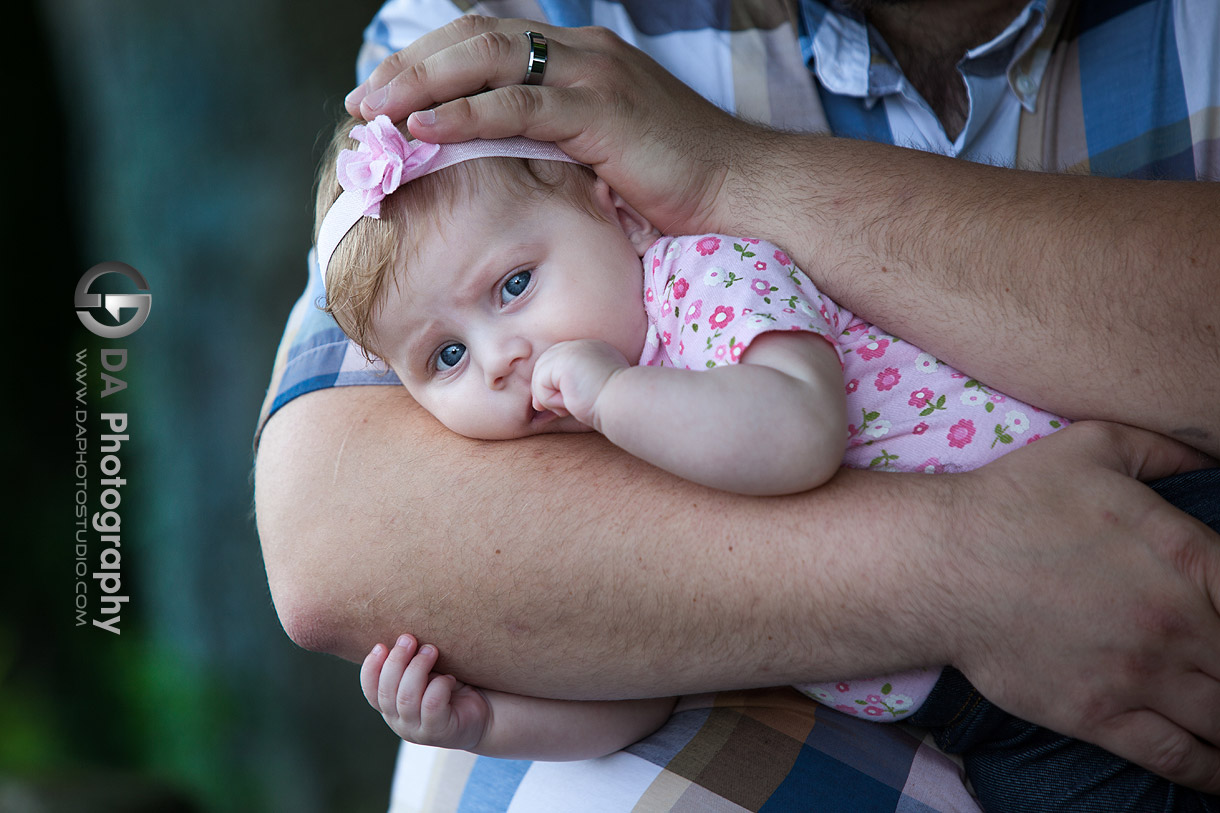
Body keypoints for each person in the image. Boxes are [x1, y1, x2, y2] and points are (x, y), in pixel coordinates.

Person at [255, 1, 1220, 809]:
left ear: (615, 211)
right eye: (447, 355)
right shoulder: (576, 437)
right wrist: (483, 719)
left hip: (1112, 522)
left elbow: (794, 435)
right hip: (971, 704)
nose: (503, 358)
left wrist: (614, 394)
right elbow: (637, 694)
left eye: (513, 286)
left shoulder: (704, 280)